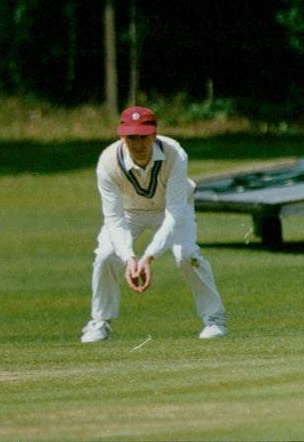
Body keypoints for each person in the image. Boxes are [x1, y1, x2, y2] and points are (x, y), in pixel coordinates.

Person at [81, 106, 227, 343]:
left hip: (170, 210)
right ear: (122, 137)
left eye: (143, 137)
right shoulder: (108, 162)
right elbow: (114, 219)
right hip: (130, 212)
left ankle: (214, 319)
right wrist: (129, 258)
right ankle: (100, 323)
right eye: (131, 138)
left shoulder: (175, 154)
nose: (137, 144)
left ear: (154, 135)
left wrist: (148, 257)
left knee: (186, 255)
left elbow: (174, 213)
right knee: (106, 255)